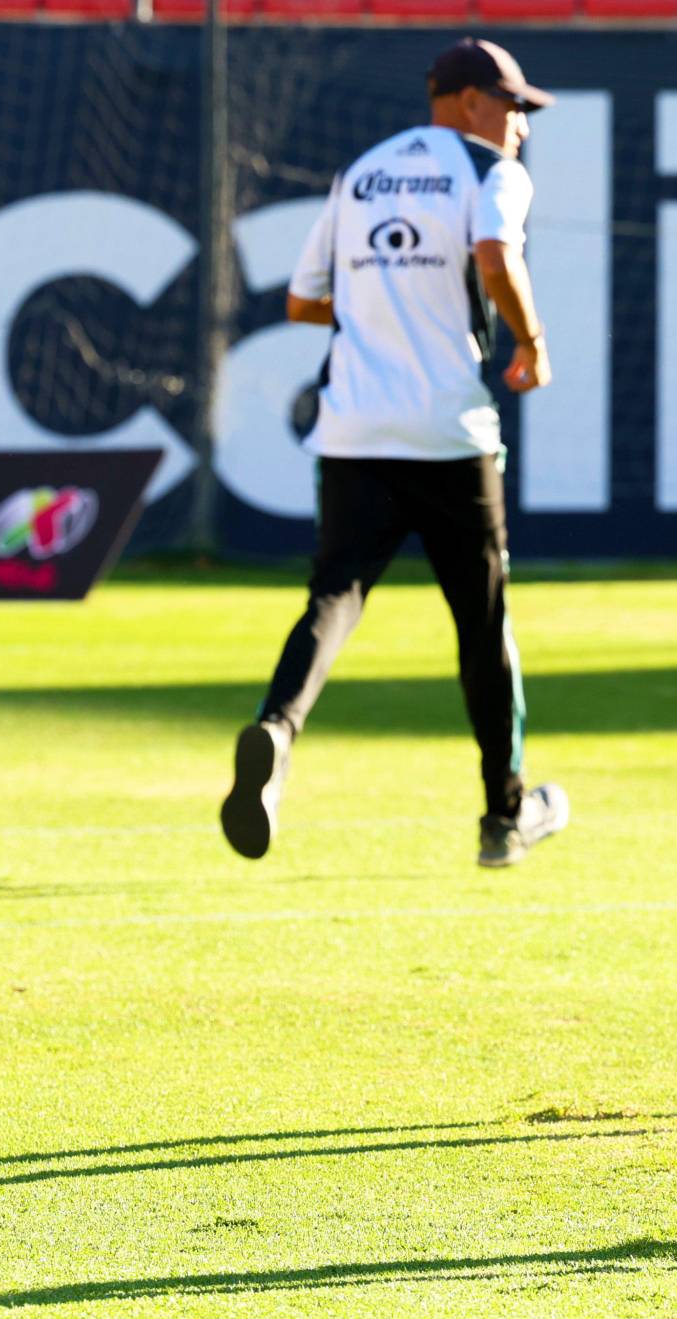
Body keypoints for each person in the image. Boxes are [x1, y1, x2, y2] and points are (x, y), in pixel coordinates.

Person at [222, 37, 567, 870]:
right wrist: (534, 341)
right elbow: (494, 257)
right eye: (511, 104)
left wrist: (382, 305)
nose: (520, 123)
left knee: (332, 597)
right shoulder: (492, 173)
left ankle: (276, 728)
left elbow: (307, 301)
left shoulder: (361, 174)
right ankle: (503, 817)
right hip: (450, 433)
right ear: (464, 100)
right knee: (483, 627)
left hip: (353, 430)